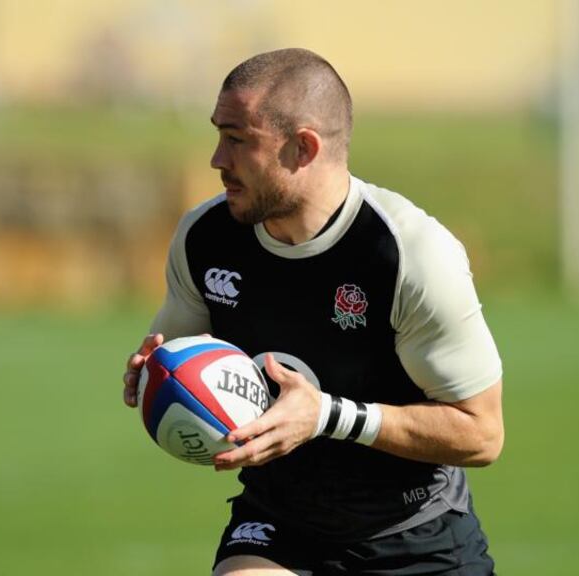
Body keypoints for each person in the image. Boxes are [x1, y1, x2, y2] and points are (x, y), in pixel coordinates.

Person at [122, 48, 504, 576]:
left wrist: (325, 415)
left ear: (303, 148)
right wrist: (151, 378)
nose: (217, 160)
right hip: (280, 524)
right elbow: (181, 362)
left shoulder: (409, 254)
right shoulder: (204, 238)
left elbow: (482, 434)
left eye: (237, 140)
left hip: (415, 534)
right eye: (218, 135)